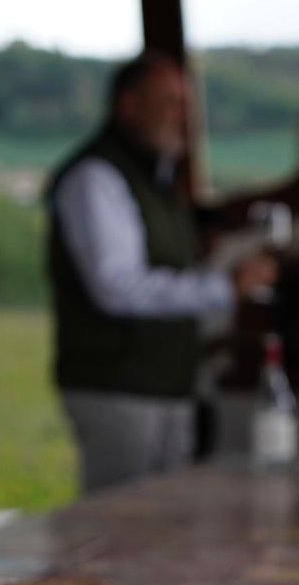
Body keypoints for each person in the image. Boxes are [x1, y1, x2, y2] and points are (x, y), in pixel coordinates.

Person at [46, 51, 276, 492]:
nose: (183, 116)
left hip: (165, 387)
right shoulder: (96, 177)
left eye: (185, 104)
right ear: (130, 105)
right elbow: (116, 286)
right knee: (118, 521)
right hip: (118, 388)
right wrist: (224, 287)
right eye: (170, 101)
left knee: (165, 520)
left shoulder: (155, 180)